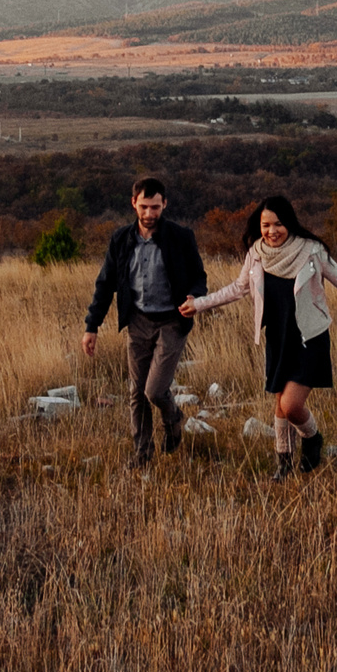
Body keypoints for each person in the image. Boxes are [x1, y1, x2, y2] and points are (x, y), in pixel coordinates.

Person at [184, 193, 337, 480]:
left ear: (289, 223)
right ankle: (284, 462)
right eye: (266, 225)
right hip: (278, 336)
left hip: (309, 337)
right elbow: (236, 289)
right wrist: (198, 304)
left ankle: (312, 438)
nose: (272, 231)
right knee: (279, 405)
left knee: (291, 406)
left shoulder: (311, 250)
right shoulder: (256, 254)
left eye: (278, 224)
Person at [82, 176, 208, 468]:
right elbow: (106, 284)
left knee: (154, 390)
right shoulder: (121, 239)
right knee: (136, 393)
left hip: (172, 320)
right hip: (137, 320)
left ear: (165, 204)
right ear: (133, 204)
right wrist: (92, 326)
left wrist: (195, 296)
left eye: (155, 207)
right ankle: (142, 454)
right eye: (144, 207)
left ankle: (174, 418)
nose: (149, 214)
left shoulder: (180, 237)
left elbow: (198, 276)